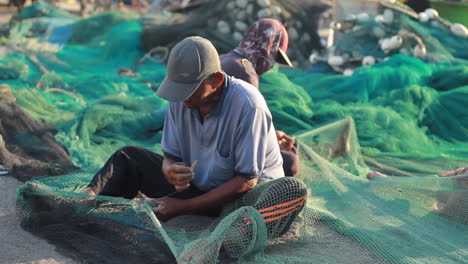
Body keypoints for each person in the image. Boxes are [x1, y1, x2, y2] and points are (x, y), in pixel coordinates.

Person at [83, 37, 307, 247]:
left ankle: (234, 236)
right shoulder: (181, 98)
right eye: (178, 90)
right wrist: (170, 169)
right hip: (200, 190)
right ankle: (84, 201)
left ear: (216, 80)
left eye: (189, 91)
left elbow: (246, 181)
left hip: (245, 200)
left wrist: (183, 207)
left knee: (292, 190)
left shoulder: (248, 104)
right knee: (129, 157)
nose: (182, 98)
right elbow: (171, 157)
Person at [220, 18, 300, 177]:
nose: (271, 65)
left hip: (208, 142)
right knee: (291, 162)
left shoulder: (224, 58)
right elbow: (245, 136)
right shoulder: (246, 72)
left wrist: (272, 135)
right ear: (268, 46)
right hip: (221, 153)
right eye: (274, 56)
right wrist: (272, 144)